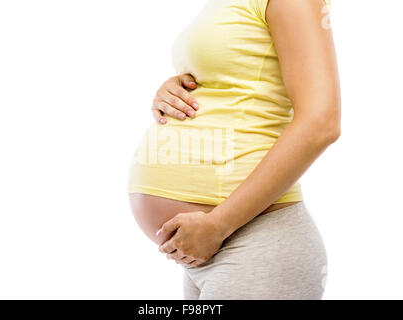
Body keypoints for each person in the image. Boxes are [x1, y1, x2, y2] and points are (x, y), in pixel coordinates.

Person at [128, 0, 340, 299]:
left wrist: (218, 224)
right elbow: (239, 80)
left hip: (257, 245)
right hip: (209, 253)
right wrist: (175, 90)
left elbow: (321, 123)